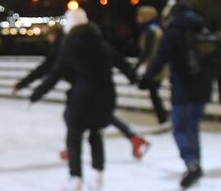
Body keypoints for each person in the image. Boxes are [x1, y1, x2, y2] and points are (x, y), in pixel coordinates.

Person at [29, 8, 140, 191]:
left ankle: (76, 178)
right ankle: (98, 174)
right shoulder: (101, 44)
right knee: (95, 133)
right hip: (106, 97)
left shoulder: (70, 47)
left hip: (82, 99)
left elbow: (54, 76)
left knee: (74, 136)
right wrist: (137, 80)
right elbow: (123, 64)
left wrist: (35, 95)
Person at [15, 24, 147, 161]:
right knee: (97, 116)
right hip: (95, 88)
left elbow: (45, 71)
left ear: (52, 35)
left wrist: (26, 89)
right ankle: (133, 137)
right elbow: (119, 61)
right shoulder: (77, 44)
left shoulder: (63, 48)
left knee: (75, 119)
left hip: (83, 89)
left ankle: (75, 153)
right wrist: (134, 78)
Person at [139, 0, 221, 190]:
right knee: (192, 126)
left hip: (183, 87)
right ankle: (195, 162)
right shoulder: (204, 31)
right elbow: (219, 63)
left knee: (180, 127)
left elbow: (160, 57)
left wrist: (147, 79)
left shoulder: (173, 32)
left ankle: (191, 162)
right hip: (204, 88)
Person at [135, 5, 170, 127]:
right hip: (156, 66)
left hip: (154, 66)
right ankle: (163, 117)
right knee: (154, 92)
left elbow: (147, 52)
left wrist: (137, 66)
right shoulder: (154, 29)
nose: (138, 19)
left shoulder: (151, 31)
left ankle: (163, 118)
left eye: (140, 16)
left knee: (153, 92)